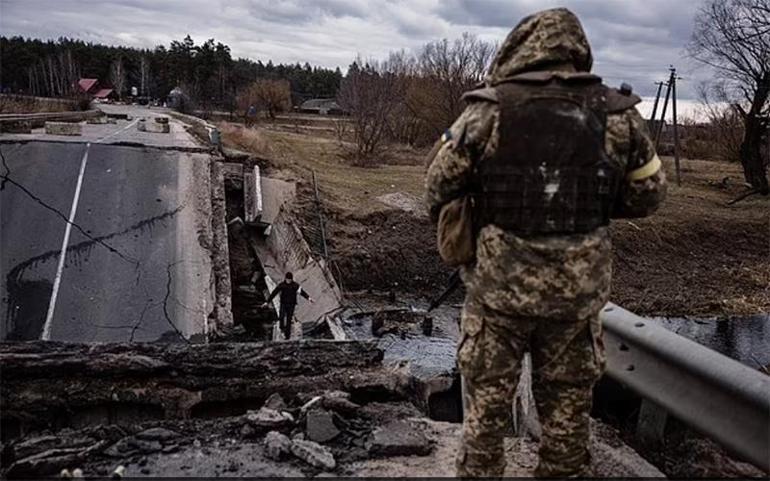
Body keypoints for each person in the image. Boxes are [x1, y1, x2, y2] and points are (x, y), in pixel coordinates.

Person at [425, 8, 667, 478]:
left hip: (498, 295)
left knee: (485, 419)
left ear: (519, 48)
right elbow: (649, 196)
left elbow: (437, 187)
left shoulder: (488, 111)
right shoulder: (619, 115)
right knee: (567, 421)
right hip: (575, 299)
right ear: (577, 51)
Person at [262, 272, 314, 340]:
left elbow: (302, 292)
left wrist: (309, 298)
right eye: (287, 279)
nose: (288, 281)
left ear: (291, 279)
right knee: (281, 316)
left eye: (290, 280)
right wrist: (267, 302)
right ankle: (282, 329)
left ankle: (287, 336)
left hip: (291, 304)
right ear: (285, 279)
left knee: (289, 320)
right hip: (283, 303)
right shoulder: (282, 285)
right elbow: (274, 293)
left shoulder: (295, 285)